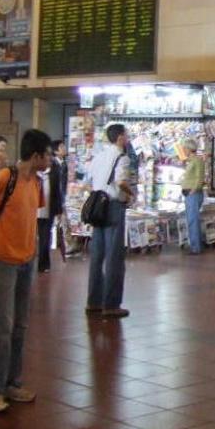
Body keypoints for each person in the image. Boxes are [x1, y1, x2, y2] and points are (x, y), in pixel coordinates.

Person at [0, 129, 51, 413]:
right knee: (2, 326)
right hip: (1, 260)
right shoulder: (6, 178)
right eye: (48, 154)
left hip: (26, 260)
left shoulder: (37, 183)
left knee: (20, 325)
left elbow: (29, 218)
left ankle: (12, 382)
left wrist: (34, 252)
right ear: (36, 155)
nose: (50, 159)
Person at [86, 124, 132, 319]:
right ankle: (111, 304)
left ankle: (93, 301)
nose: (128, 139)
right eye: (127, 135)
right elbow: (121, 182)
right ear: (120, 137)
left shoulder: (98, 157)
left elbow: (88, 182)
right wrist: (131, 194)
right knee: (114, 256)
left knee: (97, 255)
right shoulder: (122, 157)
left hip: (97, 208)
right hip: (113, 207)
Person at [36, 155, 64, 273]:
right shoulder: (33, 173)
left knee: (45, 237)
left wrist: (59, 210)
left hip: (48, 210)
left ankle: (43, 264)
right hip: (33, 211)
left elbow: (57, 192)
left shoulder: (54, 173)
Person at [180, 138, 205, 255]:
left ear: (189, 149)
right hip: (190, 193)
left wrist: (193, 190)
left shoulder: (197, 160)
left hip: (193, 194)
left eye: (184, 148)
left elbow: (199, 177)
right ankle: (196, 244)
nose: (183, 150)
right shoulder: (191, 160)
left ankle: (196, 247)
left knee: (193, 220)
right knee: (192, 219)